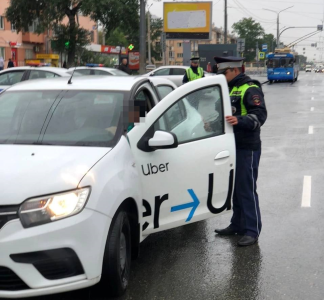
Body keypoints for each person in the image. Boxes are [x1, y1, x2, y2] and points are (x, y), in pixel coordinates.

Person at [213, 56, 267, 247]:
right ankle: (237, 224)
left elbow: (260, 115)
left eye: (224, 72)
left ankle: (252, 230)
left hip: (247, 147)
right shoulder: (226, 88)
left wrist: (240, 120)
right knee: (235, 189)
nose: (222, 75)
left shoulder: (249, 88)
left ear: (235, 70)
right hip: (231, 146)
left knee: (247, 189)